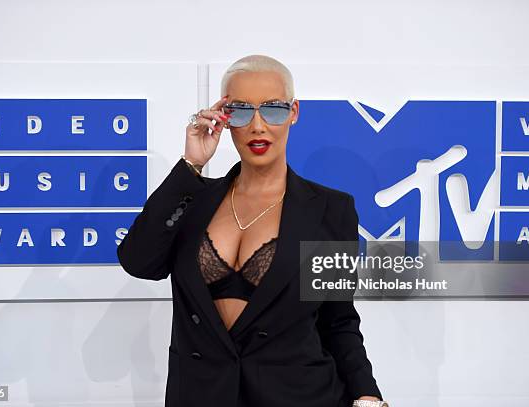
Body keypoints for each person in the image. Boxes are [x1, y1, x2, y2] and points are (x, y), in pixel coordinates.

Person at [117, 54, 387, 407]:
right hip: (202, 396)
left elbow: (338, 321)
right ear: (224, 118)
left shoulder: (328, 211)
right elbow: (139, 262)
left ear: (294, 112)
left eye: (273, 109)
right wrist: (191, 165)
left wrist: (367, 394)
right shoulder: (193, 199)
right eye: (242, 111)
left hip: (299, 397)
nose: (258, 125)